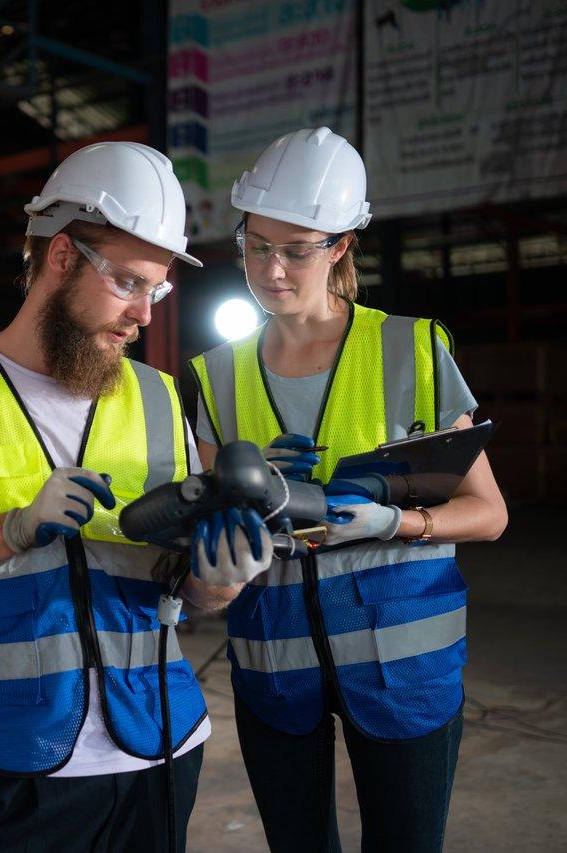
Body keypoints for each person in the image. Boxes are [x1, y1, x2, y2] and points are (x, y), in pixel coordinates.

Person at [0, 142, 267, 852]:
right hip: (10, 764)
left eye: (158, 290)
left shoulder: (161, 397)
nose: (145, 313)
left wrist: (221, 579)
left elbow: (187, 596)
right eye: (129, 283)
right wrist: (13, 528)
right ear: (60, 257)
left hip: (160, 751)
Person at [188, 127, 508, 853]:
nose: (270, 268)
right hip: (274, 662)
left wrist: (393, 522)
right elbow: (211, 531)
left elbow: (489, 513)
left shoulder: (411, 348)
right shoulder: (216, 375)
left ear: (339, 246)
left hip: (404, 668)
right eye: (255, 243)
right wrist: (235, 492)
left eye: (296, 249)